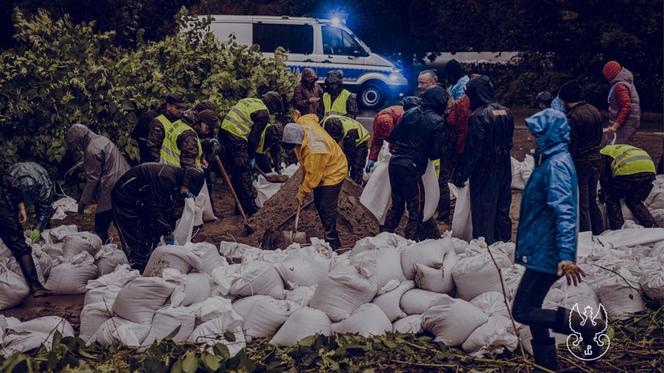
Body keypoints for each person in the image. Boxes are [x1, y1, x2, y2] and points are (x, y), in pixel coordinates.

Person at [512, 108, 604, 371]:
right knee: (533, 308)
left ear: (548, 134)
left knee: (522, 311)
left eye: (535, 133)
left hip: (548, 252)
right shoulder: (552, 159)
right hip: (544, 248)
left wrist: (565, 255)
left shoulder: (556, 166)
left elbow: (565, 211)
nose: (530, 138)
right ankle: (547, 366)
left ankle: (587, 327)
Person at [453, 75, 514, 244]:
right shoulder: (506, 112)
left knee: (484, 210)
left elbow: (474, 150)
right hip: (504, 165)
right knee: (502, 208)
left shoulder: (478, 116)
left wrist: (463, 173)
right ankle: (504, 244)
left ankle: (486, 248)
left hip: (486, 168)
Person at [111, 164, 204, 272]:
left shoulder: (176, 183)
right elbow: (154, 208)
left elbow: (167, 208)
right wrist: (167, 231)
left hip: (141, 200)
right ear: (187, 182)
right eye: (188, 191)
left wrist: (168, 228)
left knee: (150, 234)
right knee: (136, 237)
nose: (187, 195)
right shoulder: (165, 179)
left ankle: (146, 264)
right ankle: (137, 270)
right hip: (125, 198)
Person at [382, 86, 447, 240]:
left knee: (397, 204)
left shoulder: (410, 112)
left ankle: (384, 236)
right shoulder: (437, 121)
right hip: (412, 167)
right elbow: (435, 152)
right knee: (415, 209)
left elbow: (392, 136)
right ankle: (410, 242)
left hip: (395, 162)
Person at [283, 118, 348, 250]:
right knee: (319, 202)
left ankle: (333, 242)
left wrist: (302, 192)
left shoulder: (315, 149)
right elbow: (311, 117)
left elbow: (313, 177)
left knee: (326, 206)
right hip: (324, 164)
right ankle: (329, 234)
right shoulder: (302, 125)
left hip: (334, 171)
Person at [218, 91, 284, 216]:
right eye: (275, 110)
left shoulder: (250, 101)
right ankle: (251, 209)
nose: (273, 113)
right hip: (236, 136)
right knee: (244, 173)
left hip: (224, 132)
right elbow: (254, 138)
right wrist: (251, 157)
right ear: (272, 105)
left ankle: (240, 207)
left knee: (237, 172)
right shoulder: (264, 113)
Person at [65, 124, 130, 244]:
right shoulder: (101, 140)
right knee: (122, 223)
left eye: (76, 144)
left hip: (110, 188)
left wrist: (83, 202)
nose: (77, 147)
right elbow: (96, 161)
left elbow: (92, 179)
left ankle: (106, 253)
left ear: (81, 139)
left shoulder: (91, 149)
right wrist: (77, 167)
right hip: (124, 181)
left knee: (101, 225)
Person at [559, 80, 604, 234]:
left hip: (580, 164)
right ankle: (599, 233)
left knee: (581, 204)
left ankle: (585, 237)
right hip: (596, 160)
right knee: (592, 202)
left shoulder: (572, 117)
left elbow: (569, 145)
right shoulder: (594, 110)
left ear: (566, 100)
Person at [0, 171, 48, 297]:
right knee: (21, 249)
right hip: (5, 214)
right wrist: (21, 209)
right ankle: (36, 287)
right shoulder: (5, 176)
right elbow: (15, 187)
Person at [599, 144, 657, 229]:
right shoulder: (618, 149)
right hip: (649, 170)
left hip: (629, 171)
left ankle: (618, 230)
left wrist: (602, 194)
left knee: (612, 198)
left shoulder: (603, 154)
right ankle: (652, 228)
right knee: (635, 201)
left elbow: (605, 179)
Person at [366, 96, 421, 173]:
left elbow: (397, 140)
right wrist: (372, 158)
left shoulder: (404, 118)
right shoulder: (378, 121)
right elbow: (377, 141)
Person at [8, 162, 54, 242]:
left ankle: (44, 226)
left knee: (45, 210)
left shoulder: (43, 186)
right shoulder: (10, 182)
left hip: (38, 171)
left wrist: (39, 228)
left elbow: (45, 206)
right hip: (16, 173)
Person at [322, 115, 370, 184]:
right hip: (346, 139)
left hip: (359, 143)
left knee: (356, 167)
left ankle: (356, 188)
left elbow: (348, 157)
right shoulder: (323, 124)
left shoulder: (350, 132)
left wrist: (343, 175)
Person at [602, 60, 641, 144]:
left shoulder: (620, 86)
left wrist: (615, 126)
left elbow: (626, 107)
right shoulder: (624, 83)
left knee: (620, 147)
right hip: (628, 121)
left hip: (626, 122)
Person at [146, 93, 187, 163]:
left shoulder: (182, 120)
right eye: (177, 108)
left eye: (182, 108)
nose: (181, 111)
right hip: (163, 167)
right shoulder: (159, 122)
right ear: (168, 106)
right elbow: (153, 148)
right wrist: (158, 166)